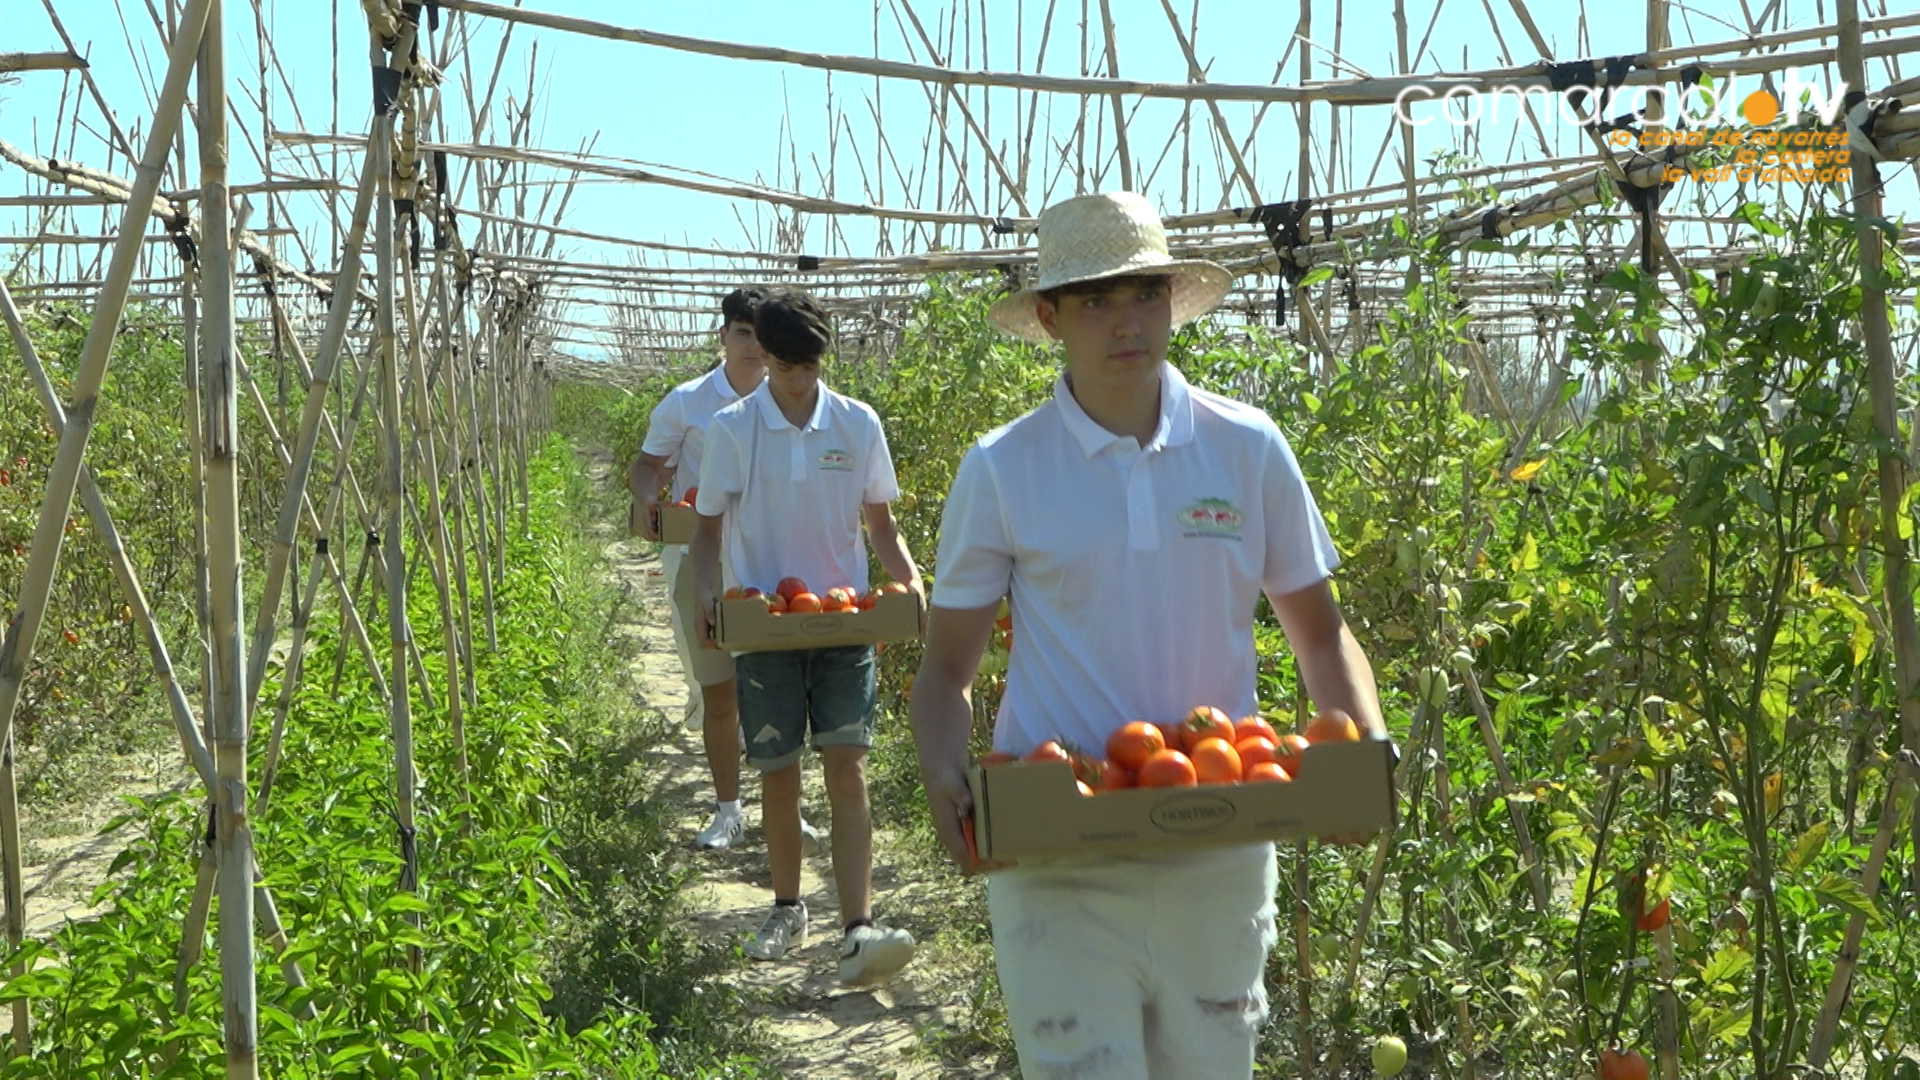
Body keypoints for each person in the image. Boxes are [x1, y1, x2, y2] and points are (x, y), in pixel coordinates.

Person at [908, 190, 1391, 1079]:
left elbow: (1322, 638)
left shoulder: (1247, 448)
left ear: (1172, 303)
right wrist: (941, 770)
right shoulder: (1003, 469)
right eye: (1095, 300)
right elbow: (946, 670)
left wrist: (1365, 755)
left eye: (1145, 295)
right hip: (1059, 851)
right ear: (1051, 318)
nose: (1125, 321)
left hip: (1219, 839)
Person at [691, 288, 925, 987]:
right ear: (764, 356)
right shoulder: (735, 428)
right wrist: (708, 595)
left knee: (848, 768)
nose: (798, 380)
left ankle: (857, 925)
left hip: (846, 618)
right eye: (787, 366)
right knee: (780, 772)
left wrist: (910, 581)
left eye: (809, 367)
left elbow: (880, 524)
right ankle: (788, 907)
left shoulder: (856, 425)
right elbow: (706, 531)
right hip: (765, 626)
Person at [628, 286, 820, 854]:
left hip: (772, 568)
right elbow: (648, 466)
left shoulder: (791, 400)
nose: (753, 348)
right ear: (723, 338)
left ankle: (787, 811)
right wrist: (649, 502)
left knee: (781, 695)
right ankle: (729, 812)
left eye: (762, 337)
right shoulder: (689, 402)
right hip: (702, 561)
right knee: (721, 694)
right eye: (742, 334)